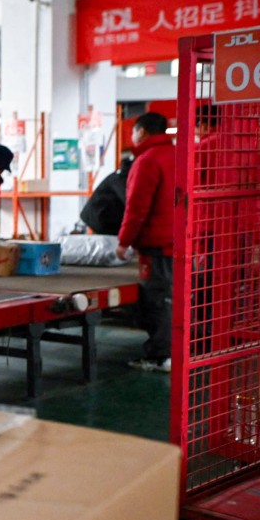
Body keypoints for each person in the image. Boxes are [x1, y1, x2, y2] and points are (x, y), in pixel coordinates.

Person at [117, 112, 175, 373]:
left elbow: (137, 208)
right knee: (174, 298)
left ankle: (160, 356)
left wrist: (124, 242)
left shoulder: (147, 160)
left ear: (141, 132)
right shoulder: (180, 155)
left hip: (157, 245)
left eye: (133, 131)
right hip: (182, 241)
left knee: (156, 300)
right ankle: (176, 351)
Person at [80, 155, 133, 236]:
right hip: (99, 219)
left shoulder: (121, 176)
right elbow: (130, 201)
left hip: (103, 218)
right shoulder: (120, 178)